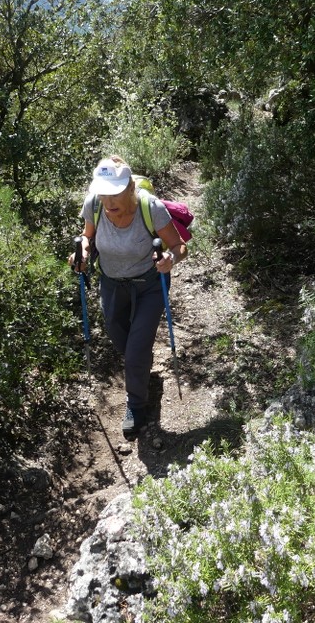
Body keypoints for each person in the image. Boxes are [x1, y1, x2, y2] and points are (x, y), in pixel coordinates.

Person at [69, 156, 188, 438]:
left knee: (135, 350)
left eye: (115, 193)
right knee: (119, 337)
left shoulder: (150, 208)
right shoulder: (94, 204)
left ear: (129, 189)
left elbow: (179, 246)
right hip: (111, 283)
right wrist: (82, 251)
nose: (109, 201)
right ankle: (142, 370)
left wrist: (170, 259)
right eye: (104, 193)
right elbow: (87, 236)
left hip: (149, 284)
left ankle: (136, 404)